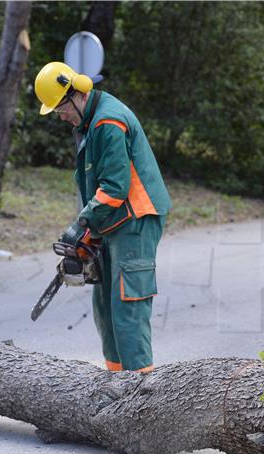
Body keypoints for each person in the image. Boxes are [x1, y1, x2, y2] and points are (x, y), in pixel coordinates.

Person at [34, 61, 171, 373]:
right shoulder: (90, 123)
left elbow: (114, 189)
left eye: (61, 107)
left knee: (127, 304)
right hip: (112, 219)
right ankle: (116, 379)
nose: (60, 115)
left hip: (136, 218)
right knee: (104, 305)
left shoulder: (108, 122)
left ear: (77, 94)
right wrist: (89, 235)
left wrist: (82, 225)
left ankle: (140, 390)